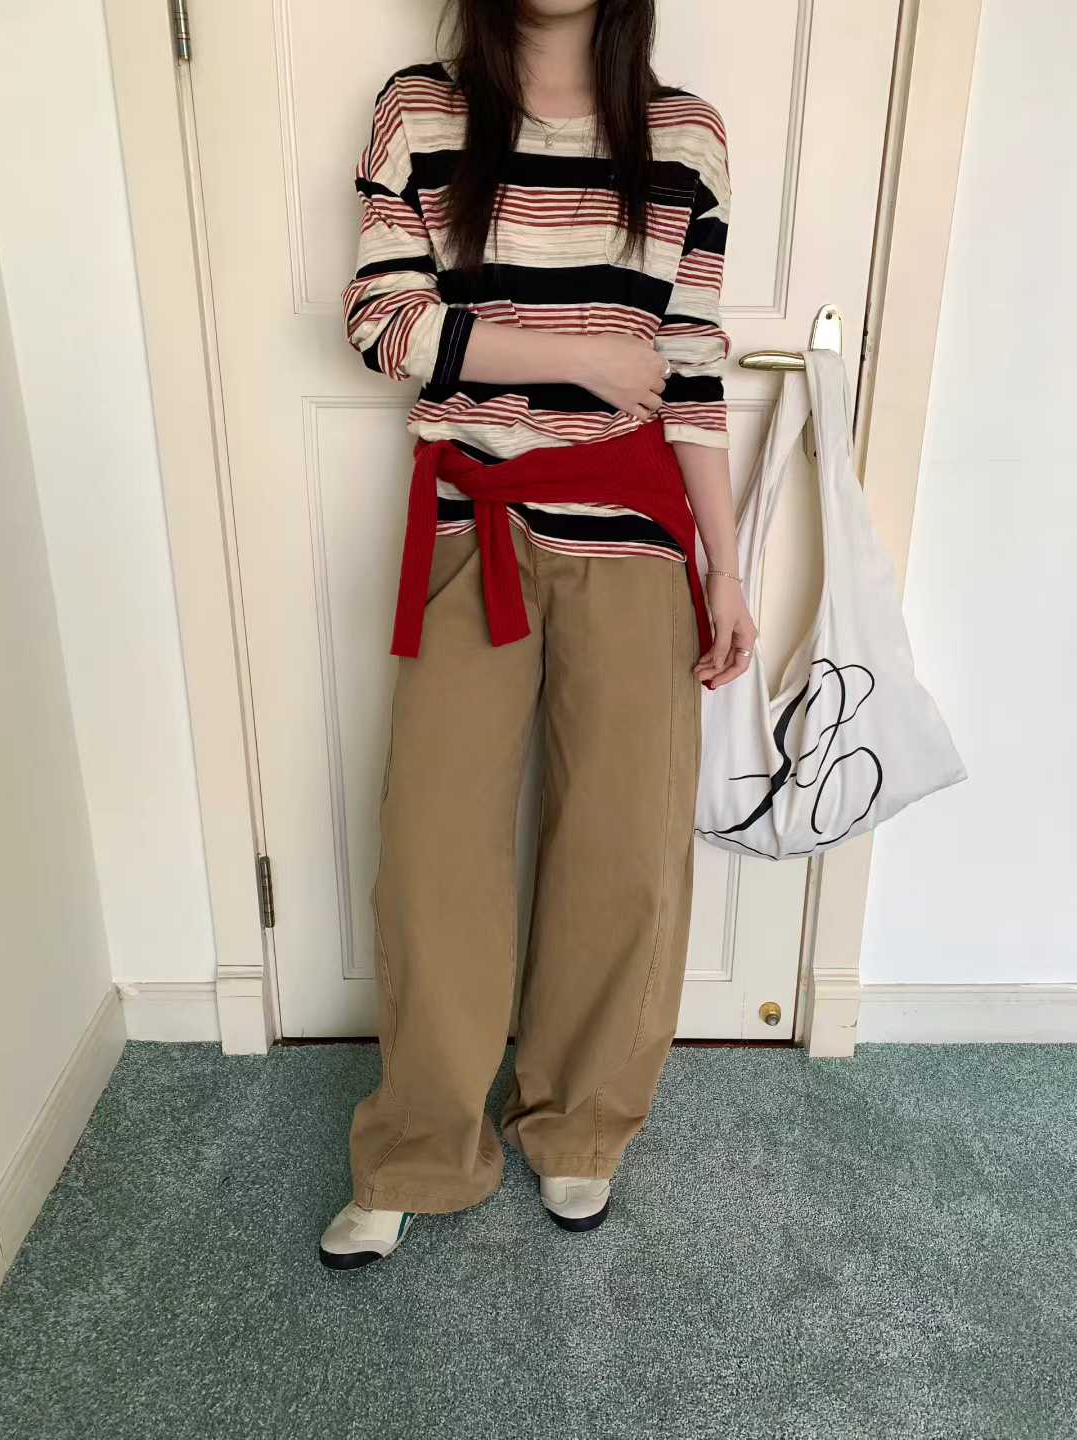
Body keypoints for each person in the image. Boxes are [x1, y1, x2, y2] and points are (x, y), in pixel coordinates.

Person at [320, 0, 756, 1270]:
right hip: (474, 527)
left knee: (625, 846)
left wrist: (728, 567)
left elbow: (691, 365)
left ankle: (580, 1127)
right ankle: (421, 1149)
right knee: (433, 844)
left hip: (634, 534)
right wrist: (577, 357)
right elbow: (381, 324)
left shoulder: (685, 138)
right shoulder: (422, 111)